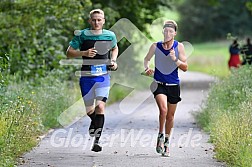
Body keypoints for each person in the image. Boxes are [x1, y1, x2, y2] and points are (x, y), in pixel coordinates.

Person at [66, 9, 118, 152]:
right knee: (90, 110)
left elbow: (115, 48)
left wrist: (113, 61)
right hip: (86, 76)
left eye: (99, 20)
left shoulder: (110, 35)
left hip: (103, 76)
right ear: (90, 21)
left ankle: (96, 141)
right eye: (94, 20)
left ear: (104, 21)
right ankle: (94, 122)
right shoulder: (82, 35)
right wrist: (84, 53)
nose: (96, 22)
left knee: (100, 107)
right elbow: (69, 52)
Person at [143, 20, 188, 157]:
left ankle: (167, 142)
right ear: (163, 32)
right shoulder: (155, 46)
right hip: (159, 84)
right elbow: (146, 59)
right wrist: (147, 68)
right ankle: (160, 136)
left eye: (171, 31)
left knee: (170, 116)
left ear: (175, 33)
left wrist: (175, 59)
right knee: (163, 110)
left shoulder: (179, 47)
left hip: (174, 85)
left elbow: (185, 68)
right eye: (166, 30)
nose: (168, 33)